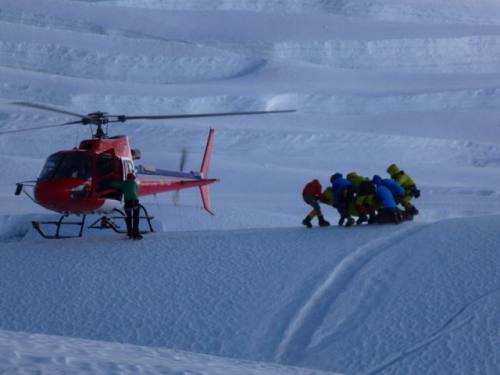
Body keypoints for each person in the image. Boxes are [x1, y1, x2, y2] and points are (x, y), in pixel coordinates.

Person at [112, 172, 142, 240]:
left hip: (128, 202)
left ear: (127, 178)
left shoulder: (124, 183)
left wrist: (110, 182)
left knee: (128, 218)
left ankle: (129, 234)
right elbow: (137, 192)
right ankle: (136, 234)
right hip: (135, 202)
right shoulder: (135, 183)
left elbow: (115, 185)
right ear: (133, 178)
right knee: (136, 218)